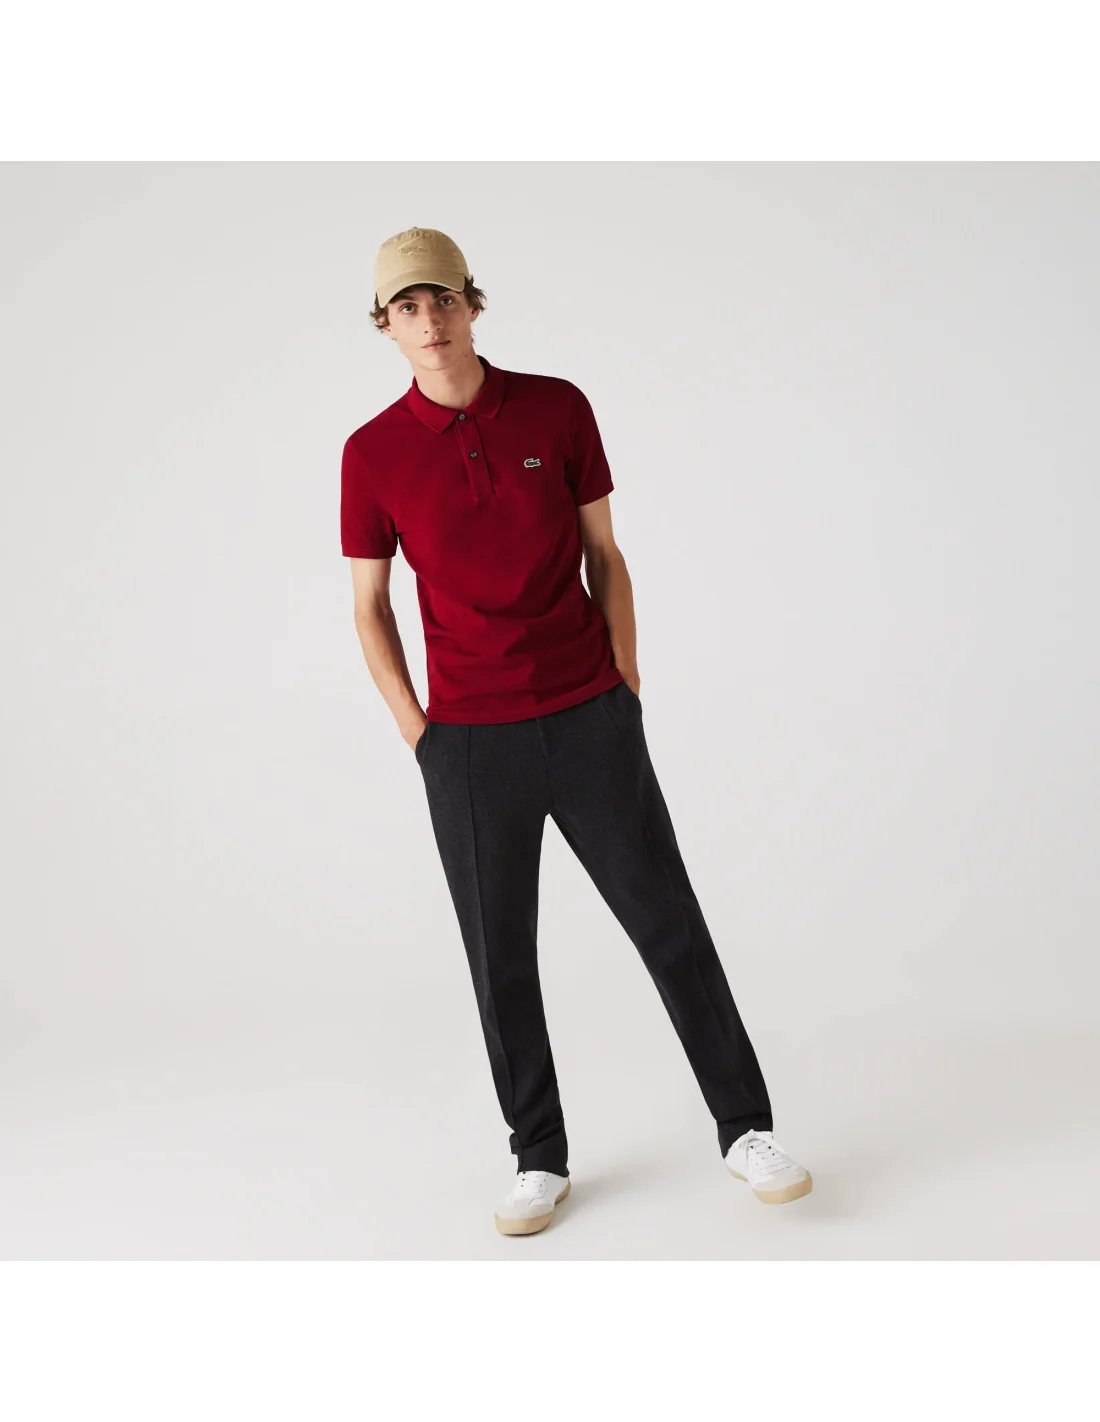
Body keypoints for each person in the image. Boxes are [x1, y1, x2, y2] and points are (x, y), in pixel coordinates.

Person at [341, 226, 812, 1236]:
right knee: (499, 955)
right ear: (386, 326)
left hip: (587, 713)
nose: (429, 321)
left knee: (668, 923)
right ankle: (538, 1157)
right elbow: (369, 605)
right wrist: (420, 733)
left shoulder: (556, 408)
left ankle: (745, 1130)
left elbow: (606, 552)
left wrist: (623, 680)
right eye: (407, 307)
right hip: (469, 743)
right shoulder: (370, 454)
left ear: (472, 304)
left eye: (442, 299)